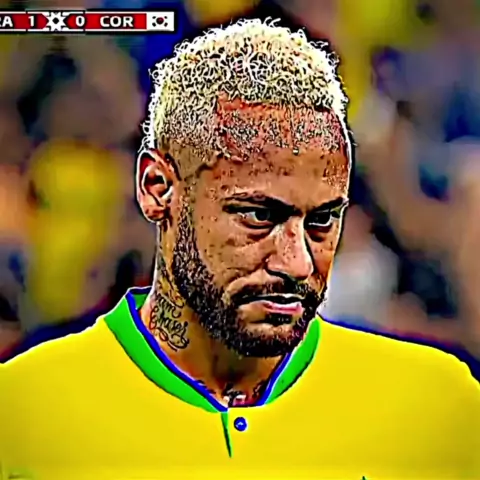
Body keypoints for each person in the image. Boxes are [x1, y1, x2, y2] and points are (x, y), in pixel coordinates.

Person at [1, 19, 478, 480]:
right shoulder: (23, 412)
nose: (298, 263)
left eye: (322, 221)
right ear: (158, 189)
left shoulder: (437, 406)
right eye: (258, 216)